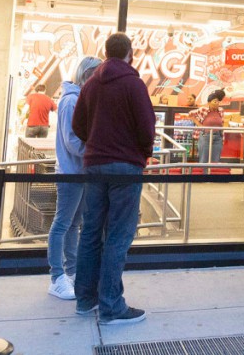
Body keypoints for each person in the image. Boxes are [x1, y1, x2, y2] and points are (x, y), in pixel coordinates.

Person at [71, 33, 156, 324]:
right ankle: (111, 305)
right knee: (119, 234)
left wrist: (95, 143)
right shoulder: (133, 84)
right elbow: (147, 127)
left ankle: (85, 299)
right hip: (125, 167)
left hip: (94, 165)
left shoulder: (91, 84)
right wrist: (142, 153)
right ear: (130, 53)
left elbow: (78, 125)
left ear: (106, 52)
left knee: (91, 232)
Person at [46, 56, 102, 301]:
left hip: (79, 171)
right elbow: (72, 141)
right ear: (88, 74)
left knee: (72, 223)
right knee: (63, 223)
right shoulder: (71, 101)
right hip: (71, 172)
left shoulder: (78, 98)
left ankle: (70, 271)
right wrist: (97, 150)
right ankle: (57, 277)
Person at [190, 89, 226, 173]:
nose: (217, 103)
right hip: (206, 136)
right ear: (209, 102)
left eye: (218, 102)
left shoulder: (221, 110)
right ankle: (203, 175)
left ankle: (213, 175)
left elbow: (222, 122)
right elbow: (191, 114)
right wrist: (200, 125)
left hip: (218, 136)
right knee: (204, 158)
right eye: (214, 101)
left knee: (216, 159)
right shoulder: (203, 110)